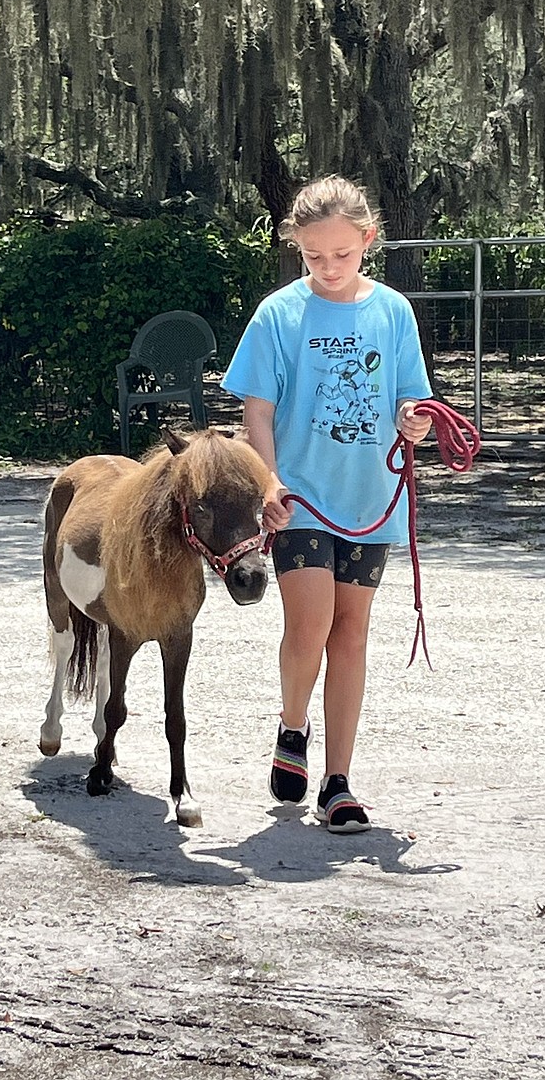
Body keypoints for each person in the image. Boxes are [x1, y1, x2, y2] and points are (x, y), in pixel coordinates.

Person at [221, 175, 433, 833]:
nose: (330, 267)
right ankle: (293, 726)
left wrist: (413, 419)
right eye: (315, 256)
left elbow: (408, 395)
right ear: (298, 247)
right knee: (309, 625)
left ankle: (338, 782)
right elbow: (257, 408)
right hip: (301, 500)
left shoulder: (393, 311)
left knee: (352, 635)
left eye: (342, 253)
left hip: (371, 498)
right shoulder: (278, 315)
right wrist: (268, 481)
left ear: (368, 240)